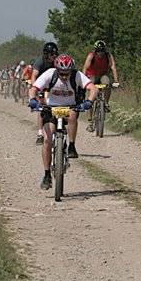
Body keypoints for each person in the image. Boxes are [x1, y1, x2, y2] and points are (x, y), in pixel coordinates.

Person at [29, 54, 98, 190]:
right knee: (48, 139)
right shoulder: (50, 74)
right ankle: (47, 174)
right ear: (57, 70)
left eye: (67, 74)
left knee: (73, 115)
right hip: (51, 108)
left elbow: (93, 88)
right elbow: (34, 88)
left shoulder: (77, 75)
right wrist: (32, 99)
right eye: (62, 74)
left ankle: (71, 146)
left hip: (70, 107)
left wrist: (89, 102)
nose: (65, 77)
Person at [82, 40, 120, 132]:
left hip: (103, 75)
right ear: (95, 50)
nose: (100, 53)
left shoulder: (108, 56)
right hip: (92, 75)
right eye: (98, 51)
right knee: (90, 97)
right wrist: (83, 81)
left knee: (107, 83)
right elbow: (85, 68)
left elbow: (113, 67)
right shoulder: (91, 56)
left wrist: (116, 81)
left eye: (102, 51)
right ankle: (90, 122)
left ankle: (106, 103)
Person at [31, 42, 60, 145]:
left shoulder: (57, 62)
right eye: (52, 54)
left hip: (53, 85)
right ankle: (40, 133)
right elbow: (34, 75)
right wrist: (35, 89)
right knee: (41, 107)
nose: (54, 56)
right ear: (46, 54)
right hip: (42, 85)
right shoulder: (39, 62)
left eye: (56, 54)